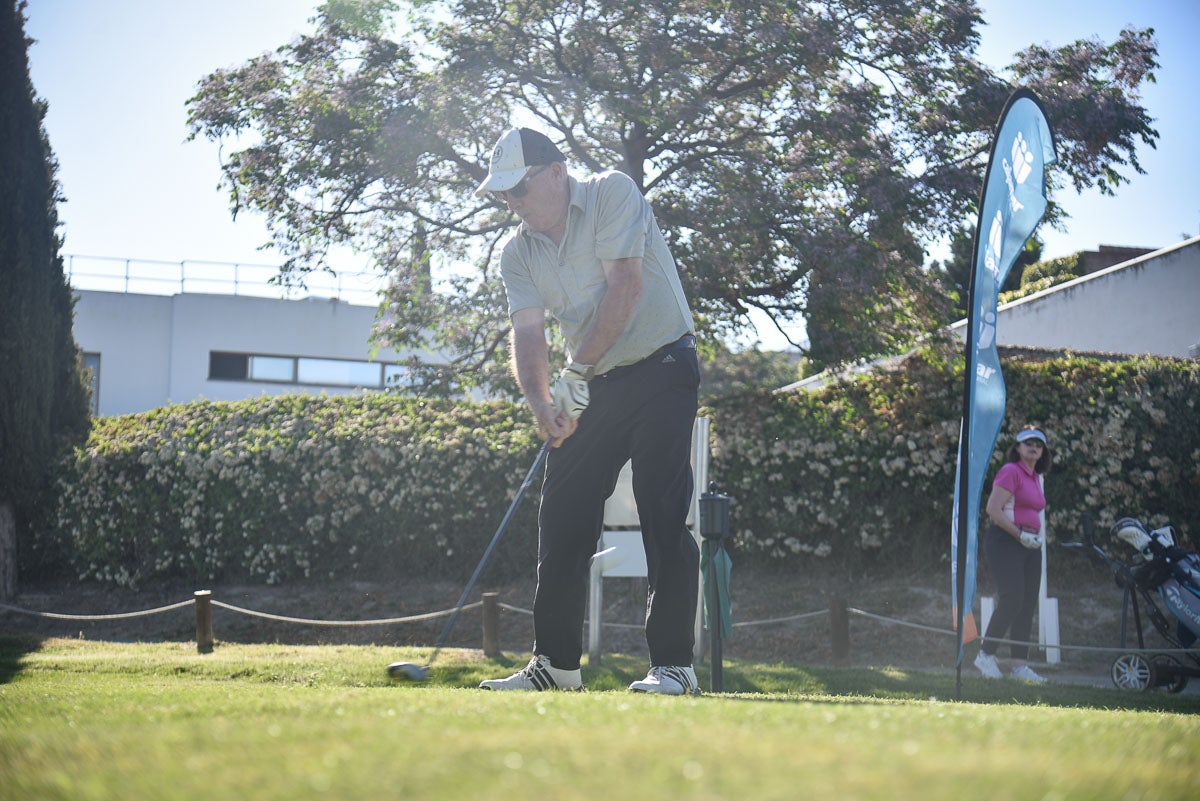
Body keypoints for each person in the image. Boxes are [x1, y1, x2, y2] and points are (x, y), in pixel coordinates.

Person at [474, 126, 701, 694]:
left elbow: (624, 287)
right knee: (563, 515)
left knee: (661, 506)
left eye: (519, 188)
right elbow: (527, 334)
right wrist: (542, 403)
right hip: (595, 382)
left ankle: (675, 667)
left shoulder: (612, 193)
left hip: (663, 365)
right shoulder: (517, 253)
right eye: (503, 193)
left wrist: (575, 373)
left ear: (555, 172)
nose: (512, 202)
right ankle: (555, 666)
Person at [974, 426, 1052, 683]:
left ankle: (1019, 667)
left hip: (1030, 544)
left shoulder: (1034, 477)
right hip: (1006, 540)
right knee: (1012, 597)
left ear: (1043, 452)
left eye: (1038, 445)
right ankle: (985, 655)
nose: (1034, 447)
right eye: (1028, 443)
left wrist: (1031, 538)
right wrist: (1020, 534)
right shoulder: (1011, 471)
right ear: (1017, 448)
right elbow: (993, 509)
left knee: (1027, 603)